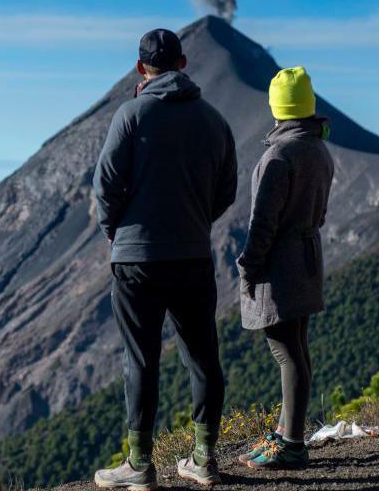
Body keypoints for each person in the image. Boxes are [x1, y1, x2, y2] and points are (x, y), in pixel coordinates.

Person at [92, 28, 237, 489]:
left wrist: (117, 234)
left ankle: (139, 466)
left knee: (141, 360)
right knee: (203, 358)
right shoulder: (214, 121)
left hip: (137, 262)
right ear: (184, 63)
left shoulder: (131, 115)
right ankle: (204, 459)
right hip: (192, 257)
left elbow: (106, 187)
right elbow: (226, 192)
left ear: (140, 68)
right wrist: (194, 220)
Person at [236, 66, 334, 470]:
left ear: (278, 109)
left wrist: (248, 266)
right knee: (298, 348)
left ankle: (292, 443)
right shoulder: (318, 150)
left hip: (281, 266)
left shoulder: (277, 156)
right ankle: (284, 434)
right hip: (308, 257)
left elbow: (264, 224)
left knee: (285, 353)